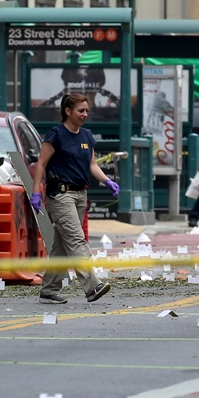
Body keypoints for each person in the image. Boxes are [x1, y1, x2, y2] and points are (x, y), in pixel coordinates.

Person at [30, 93, 115, 305]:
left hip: (80, 194)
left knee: (62, 245)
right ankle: (92, 285)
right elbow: (41, 163)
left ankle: (48, 290)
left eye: (87, 110)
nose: (85, 114)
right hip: (60, 195)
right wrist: (36, 192)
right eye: (80, 111)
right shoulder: (56, 134)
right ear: (68, 111)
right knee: (77, 239)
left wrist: (107, 181)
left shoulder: (86, 135)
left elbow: (92, 165)